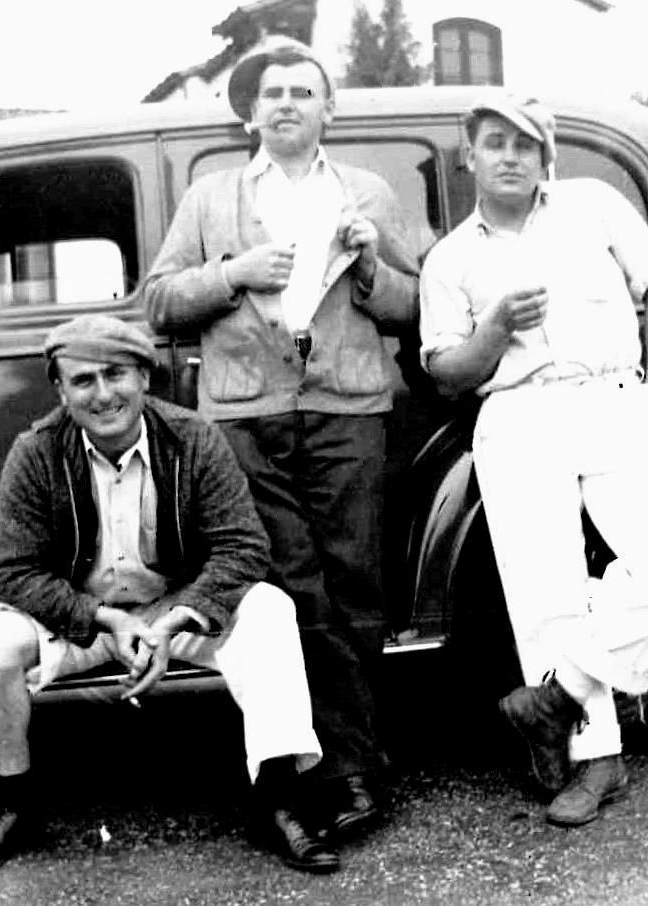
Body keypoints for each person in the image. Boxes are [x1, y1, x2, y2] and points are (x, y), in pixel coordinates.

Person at [141, 38, 420, 838]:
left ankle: (356, 769)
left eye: (305, 91)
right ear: (250, 113)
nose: (288, 103)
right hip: (246, 416)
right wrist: (235, 273)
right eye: (273, 94)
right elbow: (159, 304)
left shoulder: (366, 191)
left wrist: (369, 270)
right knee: (289, 585)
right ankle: (330, 771)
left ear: (329, 108)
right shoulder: (210, 196)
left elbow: (414, 307)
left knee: (356, 583)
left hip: (348, 407)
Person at [0, 314, 339, 876]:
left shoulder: (193, 437)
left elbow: (244, 547)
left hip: (170, 610)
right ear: (60, 389)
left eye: (116, 374)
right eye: (83, 380)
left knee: (270, 609)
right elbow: (8, 570)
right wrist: (102, 618)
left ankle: (275, 799)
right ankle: (19, 806)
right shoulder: (35, 452)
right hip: (86, 615)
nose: (103, 394)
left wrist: (177, 617)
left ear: (145, 378)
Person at [418, 93, 648, 827]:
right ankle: (596, 762)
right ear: (470, 154)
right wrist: (495, 329)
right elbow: (449, 372)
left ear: (546, 155)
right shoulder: (451, 258)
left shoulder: (593, 204)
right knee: (545, 599)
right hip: (517, 416)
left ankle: (552, 698)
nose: (510, 155)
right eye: (494, 143)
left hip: (614, 399)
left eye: (526, 143)